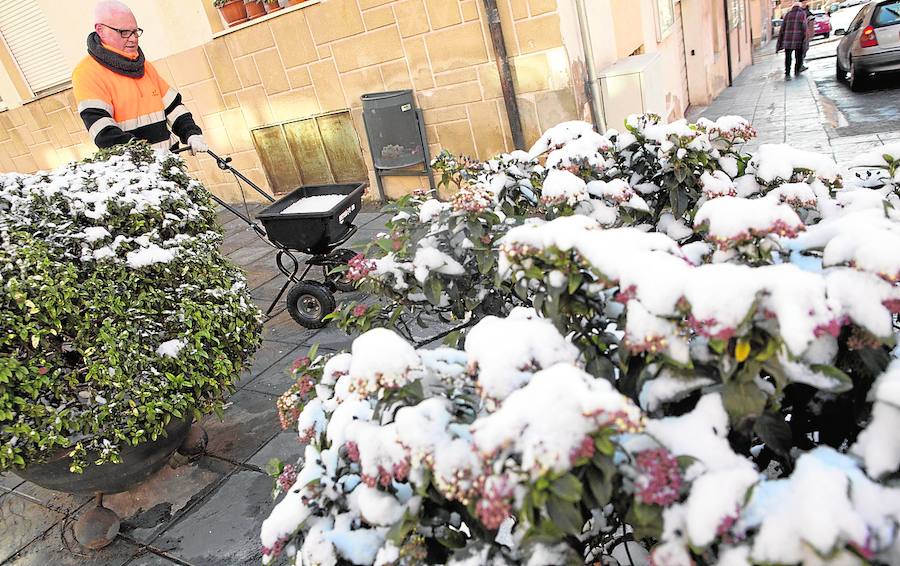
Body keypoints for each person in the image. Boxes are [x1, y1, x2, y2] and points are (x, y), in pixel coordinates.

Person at [72, 1, 207, 153]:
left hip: (169, 162)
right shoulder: (87, 73)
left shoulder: (145, 67)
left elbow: (173, 108)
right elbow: (104, 133)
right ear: (100, 30)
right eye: (124, 32)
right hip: (137, 171)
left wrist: (191, 133)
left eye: (135, 32)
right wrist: (147, 154)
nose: (133, 38)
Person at [776, 1, 810, 78]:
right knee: (798, 56)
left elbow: (782, 28)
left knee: (788, 56)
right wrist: (805, 38)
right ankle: (797, 70)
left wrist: (780, 40)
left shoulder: (787, 14)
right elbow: (804, 27)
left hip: (787, 40)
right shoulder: (802, 14)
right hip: (798, 40)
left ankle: (787, 72)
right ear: (800, 7)